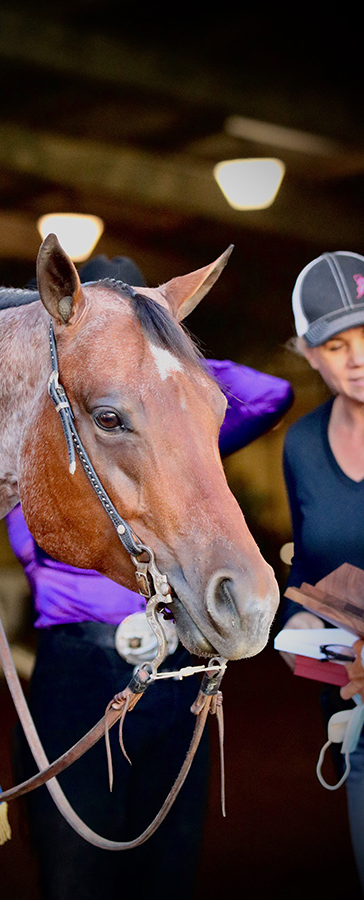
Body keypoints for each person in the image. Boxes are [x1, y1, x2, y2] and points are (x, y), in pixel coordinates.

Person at [8, 253, 294, 900]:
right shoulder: (48, 435)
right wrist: (110, 365)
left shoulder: (170, 435)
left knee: (168, 876)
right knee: (74, 879)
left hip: (173, 668)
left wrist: (159, 368)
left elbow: (271, 392)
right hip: (79, 668)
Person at [280, 250, 364, 892]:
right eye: (336, 345)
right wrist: (300, 621)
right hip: (354, 707)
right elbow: (307, 565)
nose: (357, 359)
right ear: (308, 353)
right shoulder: (303, 445)